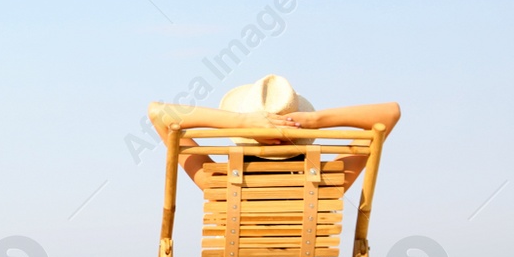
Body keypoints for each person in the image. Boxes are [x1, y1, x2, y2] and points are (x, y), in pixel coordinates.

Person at [147, 74, 399, 187]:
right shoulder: (329, 184)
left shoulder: (218, 185)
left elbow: (159, 113)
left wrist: (241, 122)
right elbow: (390, 114)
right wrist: (313, 120)